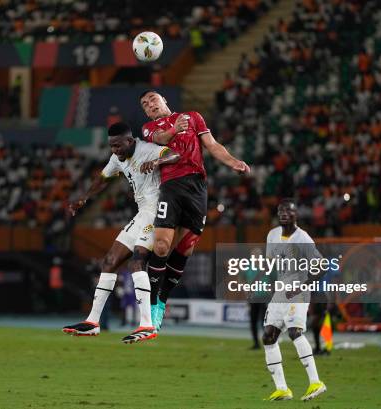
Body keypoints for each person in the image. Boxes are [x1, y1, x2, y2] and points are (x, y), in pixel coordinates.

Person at [139, 90, 250, 332]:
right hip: (170, 185)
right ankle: (151, 303)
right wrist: (174, 130)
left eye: (153, 99)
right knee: (160, 247)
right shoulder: (148, 127)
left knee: (185, 249)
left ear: (165, 100)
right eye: (145, 105)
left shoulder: (193, 117)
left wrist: (233, 162)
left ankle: (162, 302)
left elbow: (211, 145)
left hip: (197, 187)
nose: (150, 105)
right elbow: (160, 139)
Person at [62, 122, 180, 343]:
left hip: (158, 213)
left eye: (118, 146)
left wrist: (157, 161)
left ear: (130, 140)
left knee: (137, 262)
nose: (114, 151)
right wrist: (84, 198)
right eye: (111, 147)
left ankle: (147, 324)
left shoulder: (147, 149)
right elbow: (103, 179)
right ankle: (92, 322)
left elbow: (175, 154)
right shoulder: (118, 158)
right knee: (109, 261)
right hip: (142, 213)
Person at [262, 199, 327, 401]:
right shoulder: (272, 235)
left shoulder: (303, 238)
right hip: (280, 293)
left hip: (298, 292)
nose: (283, 214)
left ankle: (316, 382)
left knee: (294, 332)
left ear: (295, 214)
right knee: (268, 336)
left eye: (288, 211)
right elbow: (272, 265)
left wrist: (301, 286)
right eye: (280, 211)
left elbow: (322, 266)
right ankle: (282, 389)